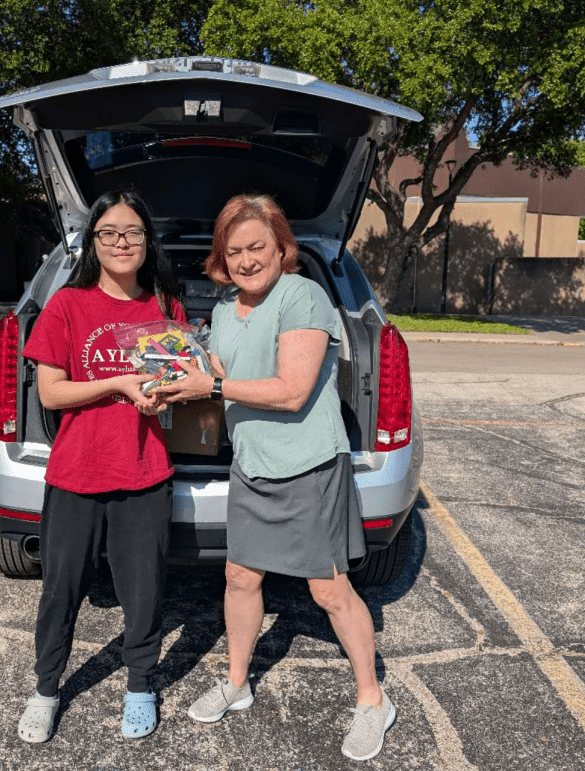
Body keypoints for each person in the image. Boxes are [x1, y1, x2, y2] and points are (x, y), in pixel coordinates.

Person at [156, 194, 396, 762]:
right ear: (221, 258)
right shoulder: (224, 309)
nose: (246, 260)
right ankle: (237, 683)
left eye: (256, 247)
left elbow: (291, 391)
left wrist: (213, 386)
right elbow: (221, 367)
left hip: (307, 465)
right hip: (253, 465)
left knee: (329, 589)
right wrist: (180, 368)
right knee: (240, 577)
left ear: (281, 246)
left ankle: (373, 699)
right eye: (233, 251)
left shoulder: (303, 296)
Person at [17, 188, 186, 743]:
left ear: (147, 241)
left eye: (132, 232)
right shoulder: (67, 305)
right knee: (60, 590)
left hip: (144, 471)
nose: (121, 242)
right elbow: (51, 393)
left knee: (144, 590)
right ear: (93, 241)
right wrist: (117, 383)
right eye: (109, 232)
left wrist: (164, 396)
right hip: (76, 472)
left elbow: (174, 384)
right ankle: (46, 689)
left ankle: (140, 685)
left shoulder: (165, 306)